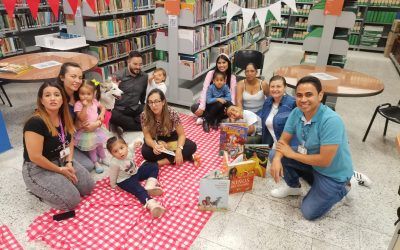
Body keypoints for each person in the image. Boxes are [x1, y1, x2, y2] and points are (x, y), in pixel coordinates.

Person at [270, 76, 354, 221]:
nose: (303, 100)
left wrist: (291, 154)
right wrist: (277, 158)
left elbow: (324, 160)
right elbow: (283, 141)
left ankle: (345, 187)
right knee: (273, 154)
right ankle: (293, 187)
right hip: (312, 162)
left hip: (332, 175)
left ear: (320, 95)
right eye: (299, 95)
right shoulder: (297, 113)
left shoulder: (331, 121)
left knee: (308, 212)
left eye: (309, 94)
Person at [22, 82, 94, 210]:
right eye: (48, 95)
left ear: (62, 99)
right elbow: (35, 157)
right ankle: (37, 191)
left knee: (88, 187)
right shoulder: (35, 123)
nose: (53, 98)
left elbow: (70, 140)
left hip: (61, 160)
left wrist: (69, 162)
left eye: (56, 95)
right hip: (38, 168)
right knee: (72, 201)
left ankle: (60, 180)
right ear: (41, 100)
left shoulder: (64, 116)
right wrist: (60, 171)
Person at [107, 134, 165, 218]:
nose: (120, 152)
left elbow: (138, 140)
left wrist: (139, 142)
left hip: (136, 172)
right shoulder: (114, 163)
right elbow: (112, 175)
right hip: (125, 180)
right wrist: (114, 185)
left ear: (126, 145)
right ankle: (152, 204)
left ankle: (150, 186)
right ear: (111, 154)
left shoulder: (129, 149)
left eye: (121, 148)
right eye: (115, 151)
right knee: (138, 189)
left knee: (153, 165)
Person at [57, 62, 99, 172]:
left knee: (96, 154)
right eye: (73, 76)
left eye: (80, 77)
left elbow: (95, 109)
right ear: (62, 77)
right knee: (88, 166)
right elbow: (58, 128)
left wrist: (97, 123)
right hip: (63, 140)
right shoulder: (58, 98)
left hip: (79, 135)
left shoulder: (80, 94)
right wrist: (77, 125)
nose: (77, 81)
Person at [141, 89, 200, 167]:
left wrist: (179, 149)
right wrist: (155, 145)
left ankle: (159, 163)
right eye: (150, 102)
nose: (154, 105)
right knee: (146, 152)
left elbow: (181, 135)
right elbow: (147, 137)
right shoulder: (144, 115)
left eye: (156, 101)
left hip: (170, 137)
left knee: (191, 146)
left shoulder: (172, 113)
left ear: (163, 102)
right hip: (155, 139)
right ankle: (183, 157)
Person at [74, 80, 110, 174]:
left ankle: (104, 158)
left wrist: (101, 114)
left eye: (88, 94)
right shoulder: (78, 104)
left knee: (100, 145)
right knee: (92, 148)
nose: (85, 96)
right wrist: (85, 107)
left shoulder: (94, 101)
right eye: (82, 93)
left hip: (96, 129)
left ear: (93, 94)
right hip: (86, 132)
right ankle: (95, 162)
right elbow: (81, 118)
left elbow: (103, 107)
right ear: (78, 94)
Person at [191, 53, 237, 122]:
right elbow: (205, 90)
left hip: (222, 105)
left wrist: (231, 108)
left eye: (224, 62)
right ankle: (215, 118)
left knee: (225, 108)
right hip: (210, 103)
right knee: (194, 107)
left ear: (228, 63)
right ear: (216, 64)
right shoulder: (211, 73)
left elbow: (232, 96)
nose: (221, 65)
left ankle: (206, 118)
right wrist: (202, 107)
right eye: (219, 63)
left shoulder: (232, 77)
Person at [110, 51, 148, 131]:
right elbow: (109, 96)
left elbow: (143, 95)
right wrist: (114, 88)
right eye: (135, 64)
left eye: (140, 64)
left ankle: (126, 125)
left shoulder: (144, 76)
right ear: (129, 62)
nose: (138, 67)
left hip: (134, 108)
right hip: (119, 109)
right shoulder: (117, 76)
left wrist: (145, 109)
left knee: (152, 108)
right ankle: (141, 126)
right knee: (113, 115)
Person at [258, 75, 296, 148]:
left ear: (285, 87)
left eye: (278, 86)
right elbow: (262, 117)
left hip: (288, 147)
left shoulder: (293, 103)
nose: (275, 89)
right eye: (272, 86)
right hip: (273, 144)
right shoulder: (268, 101)